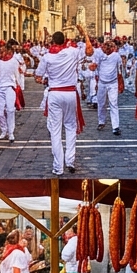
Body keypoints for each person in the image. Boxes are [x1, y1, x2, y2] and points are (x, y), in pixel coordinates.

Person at [34, 27, 96, 175]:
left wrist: (46, 79)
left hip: (55, 93)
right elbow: (89, 51)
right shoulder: (73, 52)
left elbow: (38, 78)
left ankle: (58, 166)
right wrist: (85, 34)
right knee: (70, 127)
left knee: (55, 131)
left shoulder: (47, 57)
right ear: (65, 40)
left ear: (53, 41)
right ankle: (70, 160)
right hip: (70, 93)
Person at [90, 39, 124, 136]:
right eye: (106, 47)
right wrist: (96, 80)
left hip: (113, 83)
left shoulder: (116, 56)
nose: (107, 49)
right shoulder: (99, 55)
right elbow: (95, 67)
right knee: (101, 103)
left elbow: (119, 69)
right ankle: (101, 121)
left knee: (114, 103)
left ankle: (115, 126)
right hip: (102, 82)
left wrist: (120, 82)